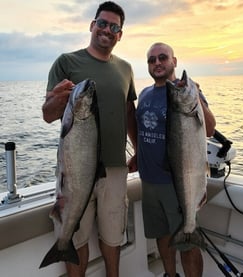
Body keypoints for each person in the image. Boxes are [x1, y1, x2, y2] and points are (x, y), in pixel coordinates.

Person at [42, 2, 137, 277]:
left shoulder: (126, 69)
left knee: (112, 237)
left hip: (115, 169)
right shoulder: (66, 62)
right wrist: (58, 99)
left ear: (120, 34)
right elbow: (48, 115)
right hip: (74, 170)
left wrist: (139, 150)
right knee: (76, 235)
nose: (107, 30)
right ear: (92, 25)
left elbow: (129, 113)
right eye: (103, 23)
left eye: (114, 27)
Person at [134, 42, 216, 277]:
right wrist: (138, 155)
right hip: (148, 181)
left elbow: (209, 129)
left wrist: (197, 97)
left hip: (178, 182)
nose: (157, 63)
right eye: (152, 60)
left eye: (162, 58)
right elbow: (142, 130)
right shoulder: (145, 93)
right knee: (163, 236)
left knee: (187, 244)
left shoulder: (190, 92)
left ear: (174, 61)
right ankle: (170, 275)